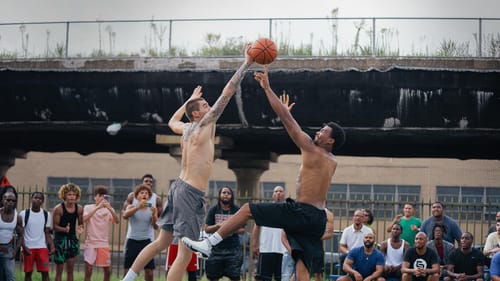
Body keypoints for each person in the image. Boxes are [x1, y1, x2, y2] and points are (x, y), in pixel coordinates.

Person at [182, 65, 346, 281]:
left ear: (330, 140)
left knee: (248, 209)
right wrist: (286, 112)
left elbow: (288, 122)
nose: (318, 131)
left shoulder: (313, 149)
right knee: (302, 262)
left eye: (323, 131)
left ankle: (209, 243)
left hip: (302, 212)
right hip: (317, 218)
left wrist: (268, 89)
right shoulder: (331, 161)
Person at [121, 43, 256, 281]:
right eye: (204, 105)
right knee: (185, 252)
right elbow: (228, 91)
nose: (209, 106)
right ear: (197, 114)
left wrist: (190, 99)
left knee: (162, 242)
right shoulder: (204, 124)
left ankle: (128, 279)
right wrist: (246, 63)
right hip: (190, 192)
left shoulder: (185, 128)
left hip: (178, 188)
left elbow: (173, 120)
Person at [205, 186, 245, 281]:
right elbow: (206, 229)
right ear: (220, 195)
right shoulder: (213, 210)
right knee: (212, 277)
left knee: (235, 277)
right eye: (224, 193)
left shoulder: (237, 210)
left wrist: (229, 228)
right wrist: (218, 226)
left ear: (232, 196)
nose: (226, 195)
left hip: (233, 250)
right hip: (216, 249)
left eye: (228, 193)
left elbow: (243, 230)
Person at [83, 185, 120, 281]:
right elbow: (84, 219)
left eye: (104, 196)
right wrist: (97, 208)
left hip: (103, 243)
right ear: (95, 197)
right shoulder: (88, 207)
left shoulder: (109, 209)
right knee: (88, 270)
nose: (102, 198)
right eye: (100, 195)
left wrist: (110, 208)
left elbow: (117, 221)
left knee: (107, 271)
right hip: (91, 243)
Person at [123, 184, 158, 281]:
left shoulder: (152, 208)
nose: (144, 195)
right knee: (127, 271)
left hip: (146, 241)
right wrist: (138, 207)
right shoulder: (131, 206)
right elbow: (125, 216)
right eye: (142, 193)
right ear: (137, 196)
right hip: (132, 240)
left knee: (149, 272)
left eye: (146, 193)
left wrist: (154, 215)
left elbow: (156, 227)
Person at [252, 186, 286, 281]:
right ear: (273, 195)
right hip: (266, 249)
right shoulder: (266, 209)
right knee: (262, 278)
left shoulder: (288, 210)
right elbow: (256, 226)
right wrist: (254, 245)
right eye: (276, 191)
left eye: (280, 191)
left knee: (281, 278)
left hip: (283, 250)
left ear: (284, 194)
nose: (278, 193)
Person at [19, 192, 55, 281]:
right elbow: (21, 233)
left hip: (42, 247)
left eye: (40, 198)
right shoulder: (24, 214)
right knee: (28, 273)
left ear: (42, 201)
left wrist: (52, 245)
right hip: (28, 247)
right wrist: (23, 247)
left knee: (45, 273)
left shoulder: (46, 214)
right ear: (31, 199)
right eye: (35, 197)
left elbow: (47, 232)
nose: (37, 199)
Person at [52, 183, 84, 281]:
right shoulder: (58, 209)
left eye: (74, 195)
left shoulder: (79, 209)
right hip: (60, 241)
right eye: (69, 194)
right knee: (59, 270)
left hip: (72, 240)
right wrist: (64, 229)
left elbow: (80, 224)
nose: (72, 197)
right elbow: (54, 227)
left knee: (70, 270)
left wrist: (80, 229)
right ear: (64, 195)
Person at [0, 191, 26, 281]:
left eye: (13, 200)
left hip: (8, 249)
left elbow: (21, 235)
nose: (10, 202)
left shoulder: (17, 217)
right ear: (3, 200)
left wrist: (15, 251)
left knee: (10, 277)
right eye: (8, 200)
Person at [339, 209, 374, 274]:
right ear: (353, 218)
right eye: (356, 216)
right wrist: (348, 252)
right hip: (350, 254)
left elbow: (372, 245)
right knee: (343, 257)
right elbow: (341, 246)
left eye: (360, 216)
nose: (358, 218)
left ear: (363, 219)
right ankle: (344, 277)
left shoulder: (368, 231)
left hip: (364, 254)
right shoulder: (347, 230)